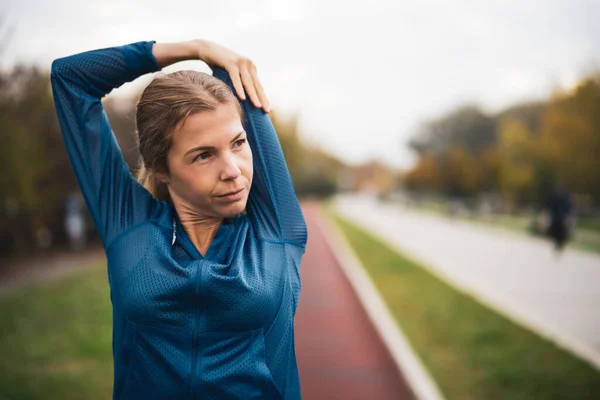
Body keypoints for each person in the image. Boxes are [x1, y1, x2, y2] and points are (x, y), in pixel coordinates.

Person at [51, 39, 307, 399]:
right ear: (161, 167)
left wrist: (220, 65)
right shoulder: (129, 225)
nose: (233, 171)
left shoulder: (276, 229)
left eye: (238, 143)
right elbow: (70, 79)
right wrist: (196, 48)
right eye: (204, 155)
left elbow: (236, 80)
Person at [546, 184, 574, 254]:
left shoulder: (560, 198)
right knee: (560, 231)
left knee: (560, 231)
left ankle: (559, 243)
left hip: (559, 217)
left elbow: (552, 207)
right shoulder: (565, 198)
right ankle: (559, 243)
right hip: (559, 217)